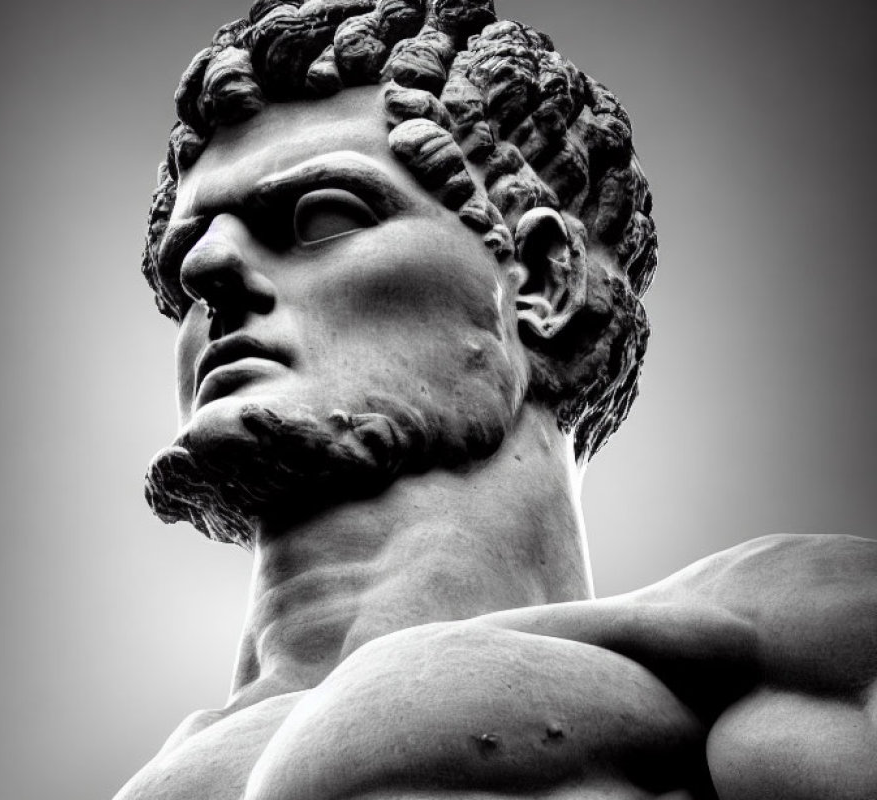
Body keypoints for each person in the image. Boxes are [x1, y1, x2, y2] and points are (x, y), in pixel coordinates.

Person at [118, 2, 877, 797]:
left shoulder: (789, 643)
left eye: (322, 216)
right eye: (183, 260)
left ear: (544, 278)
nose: (206, 268)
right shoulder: (162, 772)